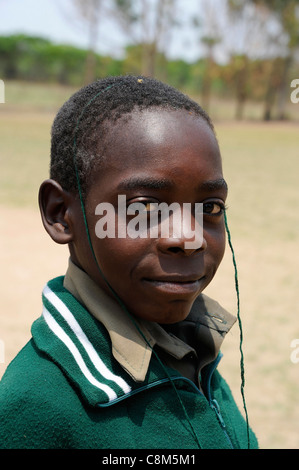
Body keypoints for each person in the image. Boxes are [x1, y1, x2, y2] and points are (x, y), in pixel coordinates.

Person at [0, 75, 258, 449]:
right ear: (61, 213)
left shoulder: (191, 346)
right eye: (144, 208)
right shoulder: (37, 406)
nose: (188, 238)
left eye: (210, 208)